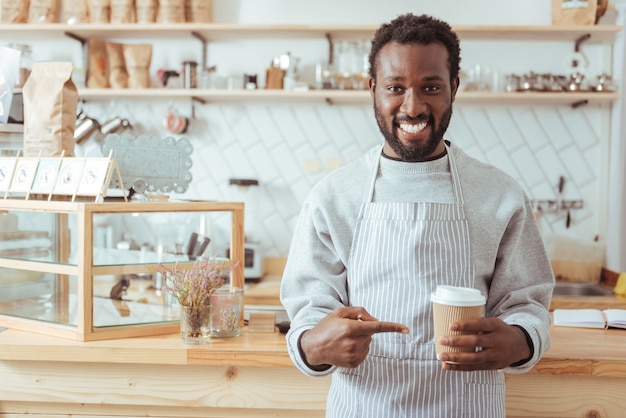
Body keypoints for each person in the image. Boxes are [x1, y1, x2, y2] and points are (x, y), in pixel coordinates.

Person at [279, 13, 554, 418]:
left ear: (454, 88)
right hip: (364, 405)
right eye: (395, 87)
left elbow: (528, 304)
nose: (413, 106)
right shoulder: (333, 197)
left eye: (430, 87)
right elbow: (309, 313)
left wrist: (519, 340)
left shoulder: (500, 195)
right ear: (373, 90)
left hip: (466, 406)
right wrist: (314, 345)